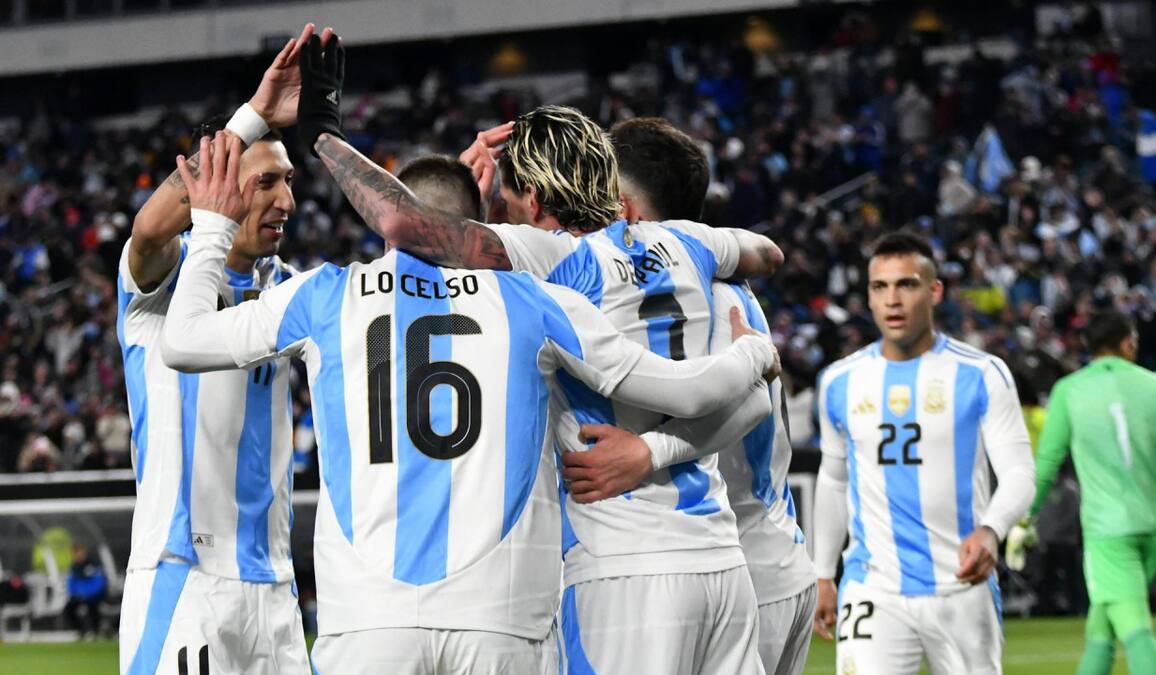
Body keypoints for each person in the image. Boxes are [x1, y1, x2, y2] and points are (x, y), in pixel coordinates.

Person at [161, 133, 779, 674]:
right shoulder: (532, 300)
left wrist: (213, 225)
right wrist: (752, 355)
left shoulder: (326, 293)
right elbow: (688, 390)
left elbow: (183, 342)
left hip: (367, 621)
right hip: (501, 617)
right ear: (472, 228)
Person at [299, 38, 782, 674]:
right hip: (719, 560)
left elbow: (407, 228)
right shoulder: (690, 241)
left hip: (621, 566)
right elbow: (766, 254)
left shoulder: (550, 258)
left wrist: (324, 132)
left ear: (532, 199)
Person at [558, 117, 818, 674]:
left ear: (623, 207)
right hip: (758, 559)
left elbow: (745, 406)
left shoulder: (711, 294)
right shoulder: (713, 283)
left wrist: (650, 452)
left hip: (744, 564)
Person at [116, 23, 328, 675]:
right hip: (185, 580)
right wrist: (253, 116)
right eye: (265, 182)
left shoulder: (289, 290)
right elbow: (149, 227)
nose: (286, 200)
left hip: (274, 591)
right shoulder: (163, 283)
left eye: (288, 181)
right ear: (216, 181)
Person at [811, 232, 1035, 674]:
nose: (892, 299)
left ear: (934, 291)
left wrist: (992, 530)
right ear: (869, 297)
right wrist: (822, 572)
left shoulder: (981, 374)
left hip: (961, 586)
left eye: (907, 284)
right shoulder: (840, 381)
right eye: (880, 287)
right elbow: (834, 479)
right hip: (873, 587)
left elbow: (1019, 472)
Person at [1007, 310, 1156, 675]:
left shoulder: (1069, 391)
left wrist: (1024, 519)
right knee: (1101, 630)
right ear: (1128, 343)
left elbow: (1047, 464)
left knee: (1136, 630)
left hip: (1107, 532)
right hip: (1153, 526)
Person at [64, 544, 107, 639]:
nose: (79, 555)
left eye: (81, 553)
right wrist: (75, 594)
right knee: (68, 608)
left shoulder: (94, 564)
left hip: (94, 595)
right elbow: (71, 584)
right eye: (76, 554)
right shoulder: (74, 567)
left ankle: (96, 631)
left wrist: (88, 594)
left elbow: (99, 583)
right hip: (80, 596)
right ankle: (81, 630)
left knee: (93, 606)